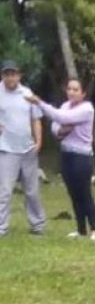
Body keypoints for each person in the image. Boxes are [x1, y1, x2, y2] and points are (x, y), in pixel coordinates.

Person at [25, 79, 95, 241]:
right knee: (73, 193)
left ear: (83, 93)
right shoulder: (65, 106)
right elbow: (55, 126)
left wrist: (40, 103)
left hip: (82, 156)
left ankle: (94, 229)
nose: (72, 92)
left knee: (84, 193)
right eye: (69, 89)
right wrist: (61, 131)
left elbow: (61, 117)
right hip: (67, 154)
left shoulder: (87, 109)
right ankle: (81, 230)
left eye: (76, 89)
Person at [0, 59, 46, 237]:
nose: (10, 77)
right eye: (7, 74)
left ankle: (38, 225)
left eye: (13, 74)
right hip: (6, 149)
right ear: (3, 75)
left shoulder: (26, 93)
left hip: (27, 148)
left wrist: (39, 142)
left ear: (19, 75)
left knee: (32, 190)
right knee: (5, 190)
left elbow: (36, 119)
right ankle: (1, 227)